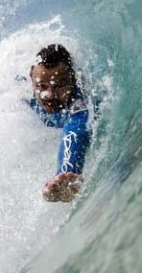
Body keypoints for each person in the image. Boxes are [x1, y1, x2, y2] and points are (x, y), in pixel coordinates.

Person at [27, 44, 93, 202]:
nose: (49, 95)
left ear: (74, 80)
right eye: (41, 86)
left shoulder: (79, 107)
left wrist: (64, 177)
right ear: (31, 78)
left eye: (59, 86)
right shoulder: (21, 92)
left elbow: (75, 133)